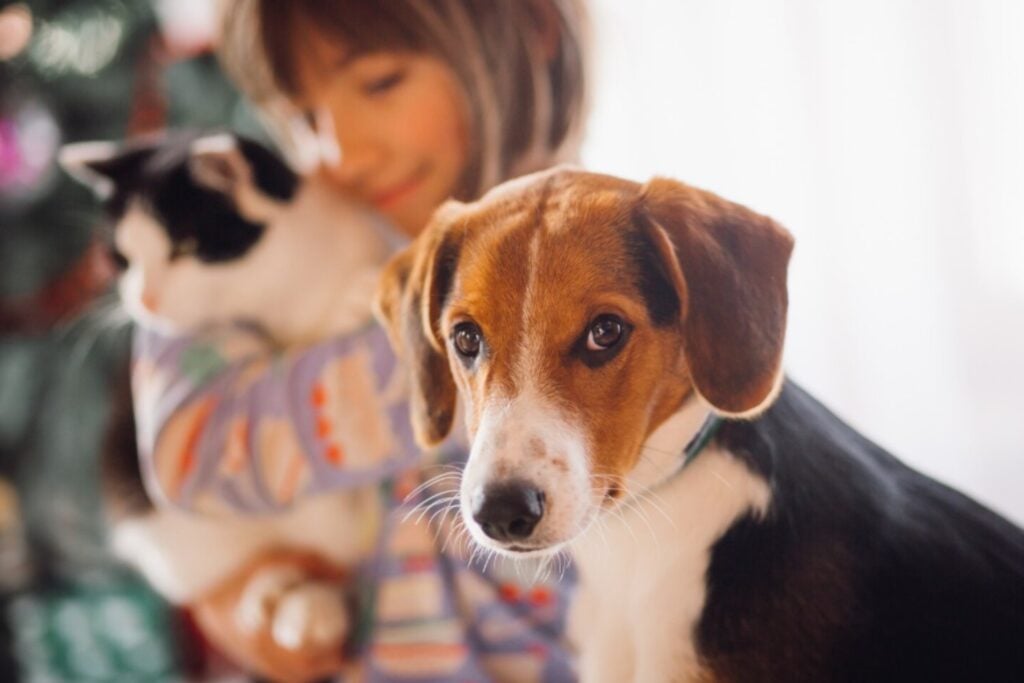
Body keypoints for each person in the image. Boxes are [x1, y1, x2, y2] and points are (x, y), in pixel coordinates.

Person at [133, 1, 590, 680]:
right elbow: (187, 450)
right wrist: (227, 600)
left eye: (380, 83)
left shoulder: (626, 285)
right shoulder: (255, 242)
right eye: (304, 116)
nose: (340, 152)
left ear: (531, 26)